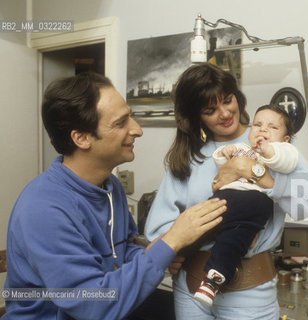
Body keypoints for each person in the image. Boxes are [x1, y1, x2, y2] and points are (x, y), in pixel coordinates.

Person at [3, 72, 226, 320]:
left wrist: (157, 256)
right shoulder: (44, 209)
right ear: (81, 138)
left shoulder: (109, 186)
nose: (137, 130)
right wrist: (171, 240)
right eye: (121, 123)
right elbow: (94, 304)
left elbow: (122, 250)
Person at [144, 63, 308, 320]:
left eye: (228, 100)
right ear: (196, 116)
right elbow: (158, 229)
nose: (225, 113)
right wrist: (171, 250)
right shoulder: (187, 157)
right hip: (190, 293)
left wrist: (250, 169)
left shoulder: (268, 139)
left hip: (249, 295)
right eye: (210, 109)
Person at [194, 104, 299, 307]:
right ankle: (206, 272)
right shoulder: (243, 149)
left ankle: (212, 277)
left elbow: (286, 161)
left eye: (273, 127)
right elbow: (222, 169)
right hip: (228, 197)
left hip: (254, 202)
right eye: (258, 124)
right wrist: (226, 152)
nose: (263, 130)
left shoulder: (284, 152)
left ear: (285, 139)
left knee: (235, 235)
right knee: (217, 230)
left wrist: (269, 150)